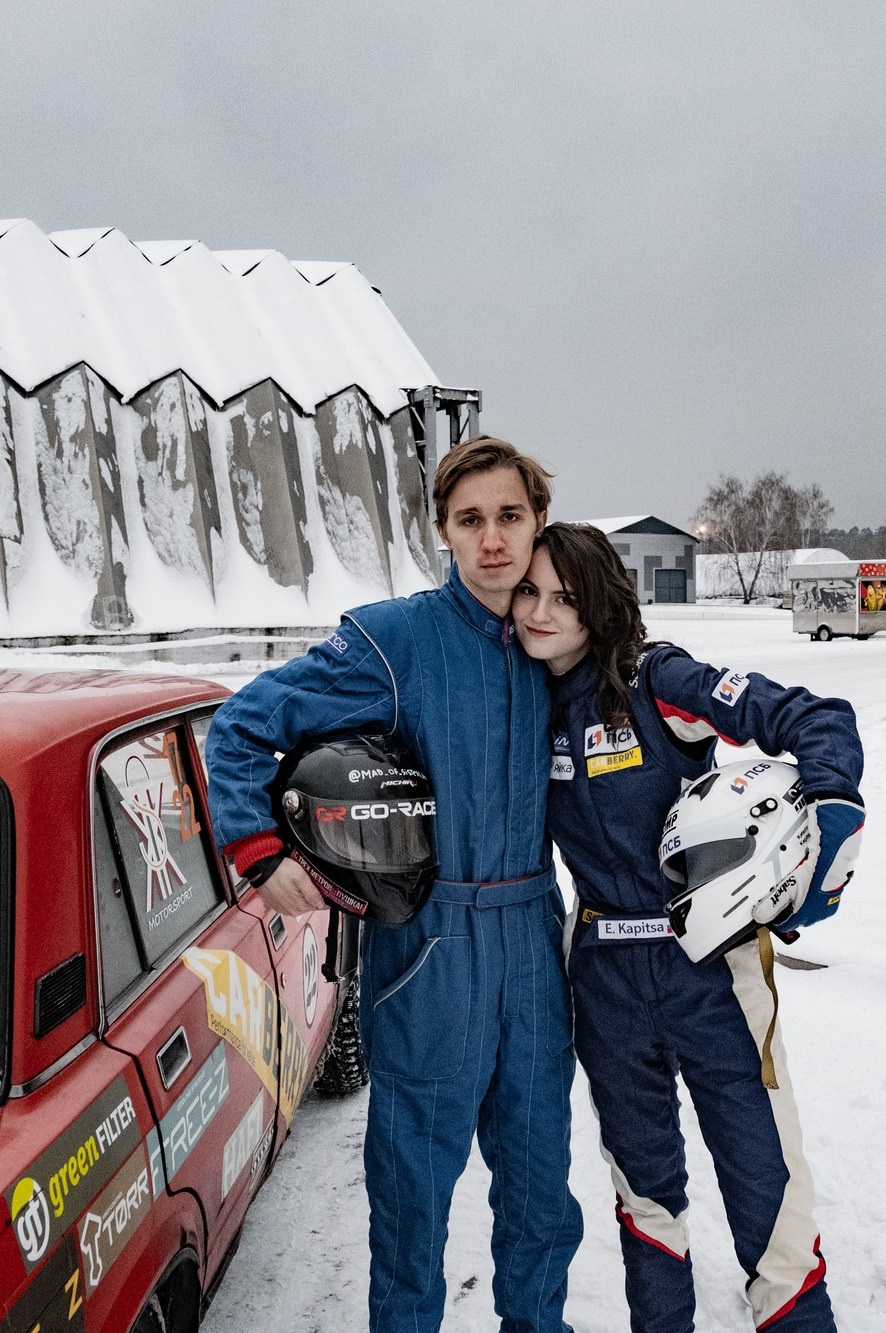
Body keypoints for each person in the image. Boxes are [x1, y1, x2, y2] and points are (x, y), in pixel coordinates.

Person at [203, 438, 584, 1333]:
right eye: (470, 520)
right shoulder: (398, 638)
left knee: (540, 1194)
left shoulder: (558, 635)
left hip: (532, 941)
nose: (493, 541)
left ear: (537, 522)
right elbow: (244, 723)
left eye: (510, 517)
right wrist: (261, 850)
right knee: (412, 1201)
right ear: (442, 531)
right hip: (430, 951)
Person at [511, 522, 864, 1333]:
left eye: (565, 595)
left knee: (765, 1190)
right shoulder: (520, 700)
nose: (540, 611)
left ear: (600, 602)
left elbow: (815, 716)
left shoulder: (658, 677)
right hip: (602, 978)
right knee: (644, 1193)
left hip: (709, 968)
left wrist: (833, 810)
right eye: (529, 591)